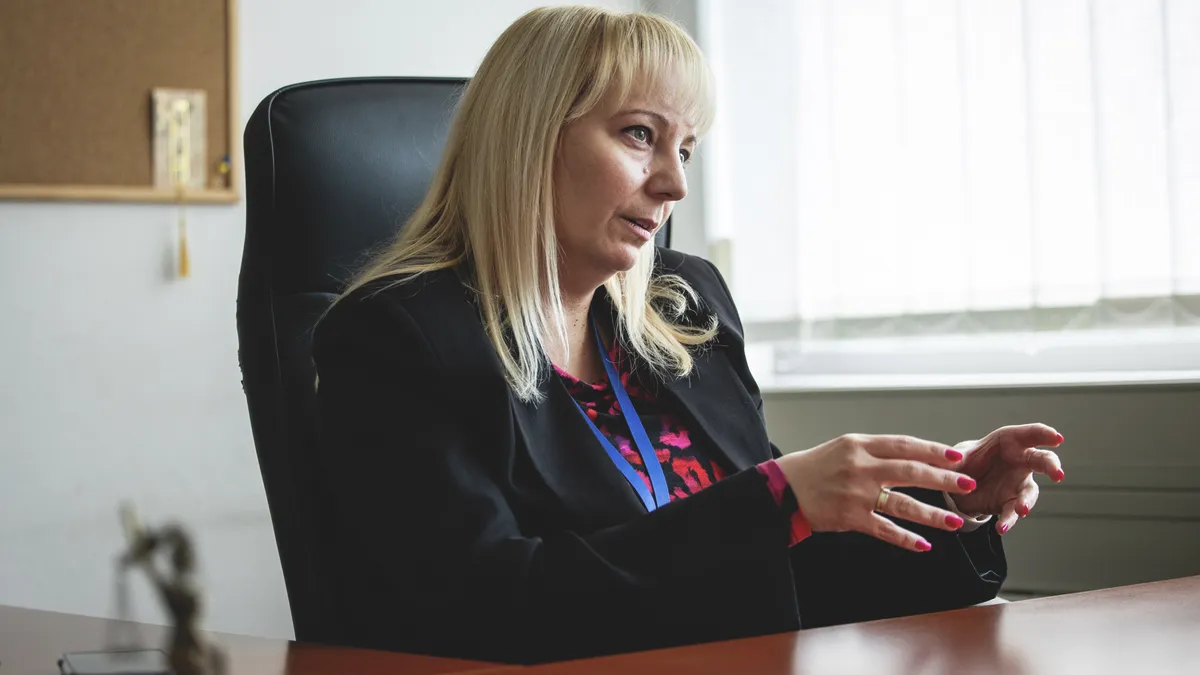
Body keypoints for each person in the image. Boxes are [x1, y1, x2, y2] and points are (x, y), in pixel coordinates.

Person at [310, 5, 1067, 665]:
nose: (674, 183)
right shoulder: (394, 338)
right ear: (529, 137)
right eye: (640, 135)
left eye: (685, 150)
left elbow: (787, 575)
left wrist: (949, 502)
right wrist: (775, 502)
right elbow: (485, 611)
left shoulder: (684, 309)